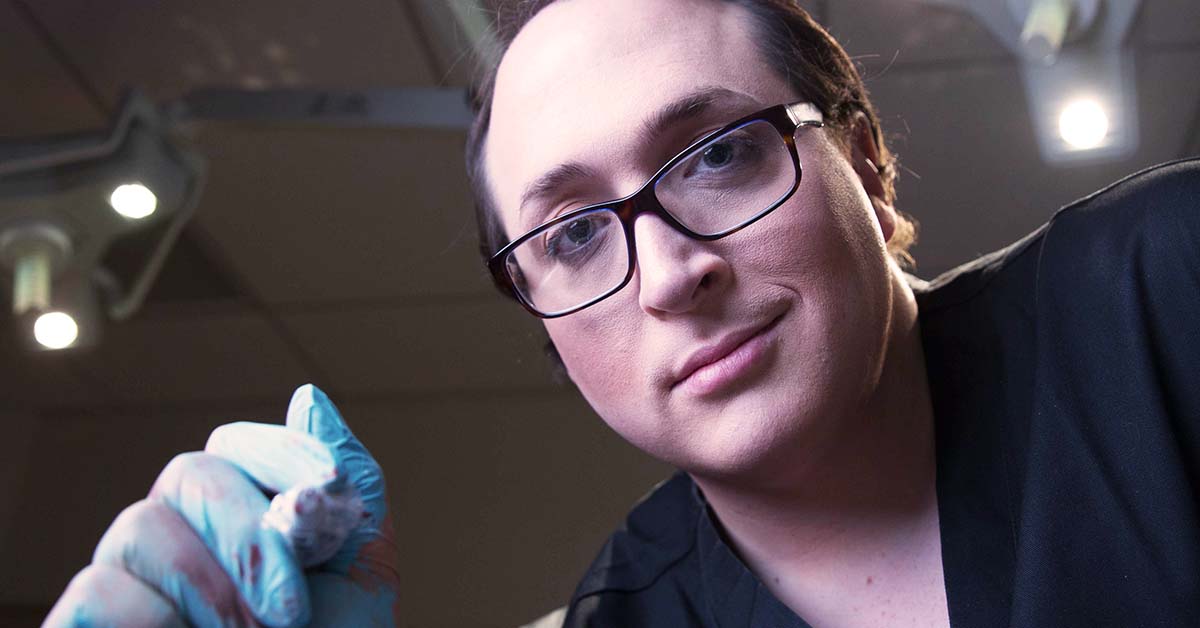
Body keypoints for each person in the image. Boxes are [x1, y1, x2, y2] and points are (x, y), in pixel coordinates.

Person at [44, 0, 1200, 627]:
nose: (667, 274)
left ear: (866, 160)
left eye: (719, 155)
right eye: (574, 234)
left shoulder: (1164, 293)